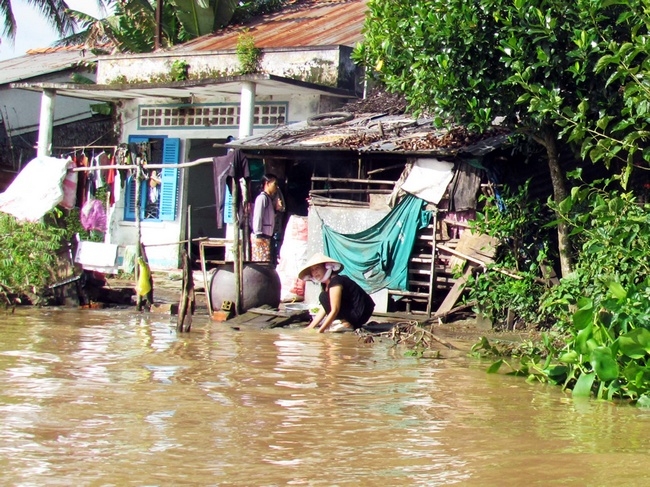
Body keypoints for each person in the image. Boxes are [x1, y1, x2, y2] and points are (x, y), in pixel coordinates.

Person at [299, 252, 375, 333]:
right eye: (312, 270)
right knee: (323, 297)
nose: (315, 272)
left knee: (323, 296)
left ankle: (346, 324)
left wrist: (321, 330)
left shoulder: (336, 281)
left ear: (326, 267)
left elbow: (335, 309)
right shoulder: (326, 285)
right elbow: (325, 307)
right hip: (353, 311)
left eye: (317, 268)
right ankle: (344, 322)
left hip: (361, 312)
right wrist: (310, 327)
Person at [251, 173, 282, 263]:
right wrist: (258, 234)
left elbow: (269, 217)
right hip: (261, 236)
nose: (276, 187)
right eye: (274, 184)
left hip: (267, 236)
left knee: (267, 262)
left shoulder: (268, 199)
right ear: (267, 183)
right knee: (261, 262)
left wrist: (276, 209)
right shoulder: (262, 198)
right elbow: (258, 216)